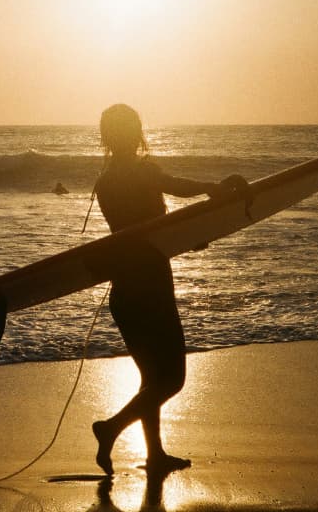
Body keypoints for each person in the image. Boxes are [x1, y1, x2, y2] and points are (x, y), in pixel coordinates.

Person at [90, 103, 247, 476]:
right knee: (172, 379)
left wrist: (186, 239)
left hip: (125, 293)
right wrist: (214, 189)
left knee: (151, 379)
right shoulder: (142, 172)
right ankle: (110, 428)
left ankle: (155, 454)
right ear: (134, 132)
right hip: (151, 288)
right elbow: (176, 189)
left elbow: (137, 234)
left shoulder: (105, 181)